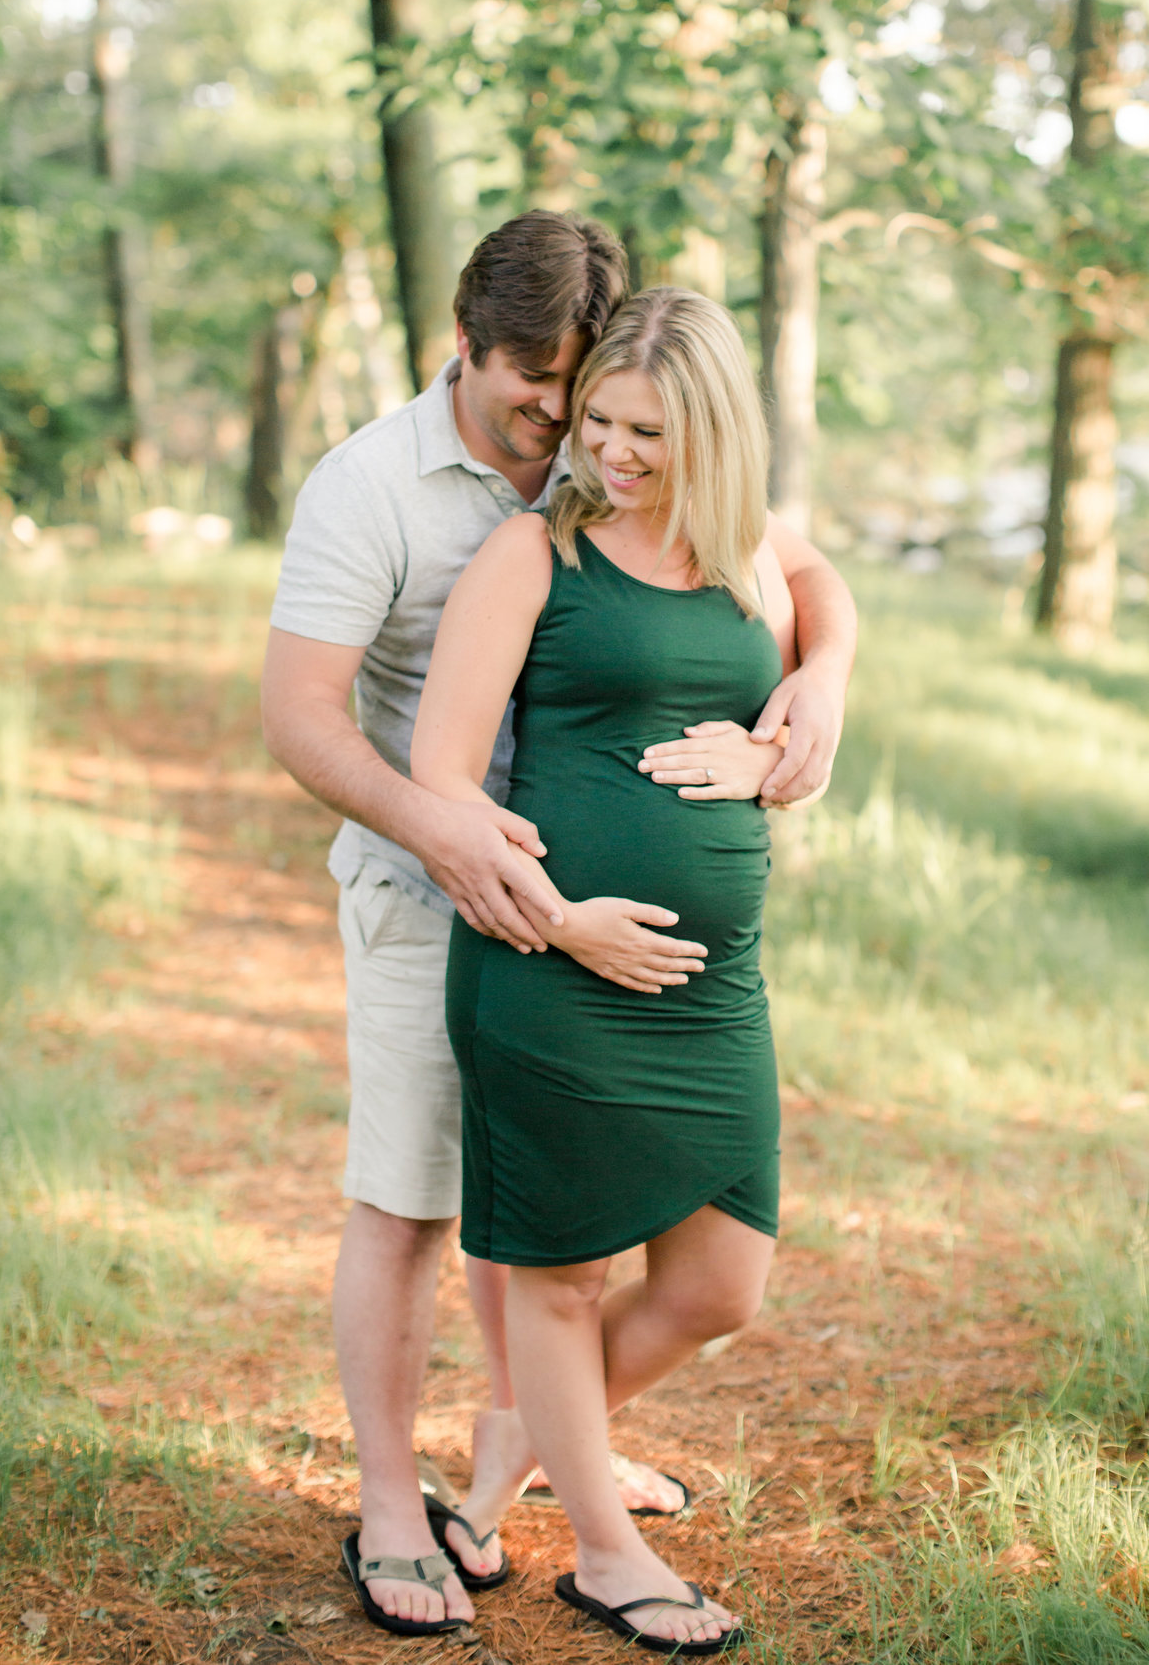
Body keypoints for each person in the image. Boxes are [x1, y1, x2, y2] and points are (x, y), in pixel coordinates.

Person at [261, 215, 856, 1640]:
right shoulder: (384, 495)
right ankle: (414, 1508)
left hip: (670, 964)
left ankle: (537, 1446)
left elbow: (805, 573)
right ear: (461, 348)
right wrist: (470, 850)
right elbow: (300, 718)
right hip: (441, 897)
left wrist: (821, 683)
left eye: (591, 402)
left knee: (652, 1260)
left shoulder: (654, 487)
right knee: (420, 1205)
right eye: (552, 403)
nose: (572, 436)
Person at [411, 286, 822, 1654]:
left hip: (716, 992)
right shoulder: (538, 554)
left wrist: (809, 705)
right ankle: (604, 1550)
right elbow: (445, 783)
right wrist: (564, 919)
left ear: (710, 426)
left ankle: (515, 1442)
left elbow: (826, 597)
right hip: (550, 974)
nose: (615, 452)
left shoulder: (744, 549)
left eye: (647, 427)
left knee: (722, 1285)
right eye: (599, 421)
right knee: (564, 1281)